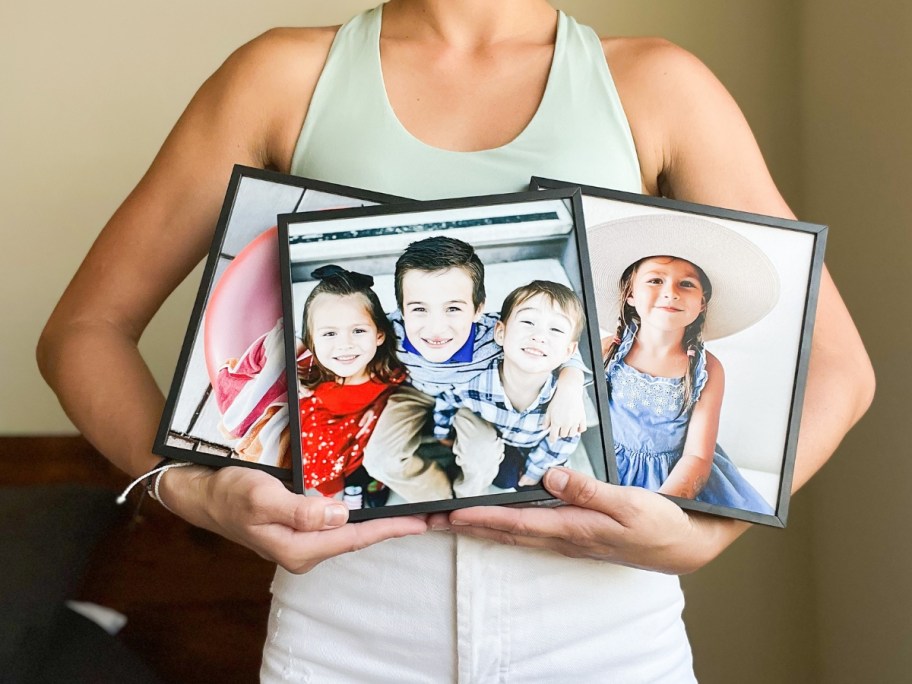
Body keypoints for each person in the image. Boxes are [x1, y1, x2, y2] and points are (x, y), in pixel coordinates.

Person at [35, 0, 874, 680]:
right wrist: (189, 491)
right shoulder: (284, 75)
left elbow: (839, 367)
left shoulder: (657, 85)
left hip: (604, 633)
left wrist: (702, 536)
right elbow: (84, 330)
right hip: (347, 623)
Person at [363, 235, 587, 502]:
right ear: (401, 310)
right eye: (420, 309)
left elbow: (555, 349)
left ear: (478, 309)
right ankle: (441, 498)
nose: (436, 328)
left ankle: (467, 498)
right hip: (415, 390)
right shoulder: (392, 331)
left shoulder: (495, 334)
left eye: (453, 309)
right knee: (378, 459)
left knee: (482, 456)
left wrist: (570, 388)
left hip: (471, 399)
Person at [594, 215, 777, 513]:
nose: (671, 292)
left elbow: (696, 457)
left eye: (686, 284)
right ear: (630, 295)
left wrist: (659, 510)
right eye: (655, 280)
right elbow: (585, 423)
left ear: (702, 303)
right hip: (604, 470)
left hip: (674, 479)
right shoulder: (608, 351)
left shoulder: (707, 370)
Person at [433, 280, 587, 490]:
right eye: (528, 322)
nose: (539, 336)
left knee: (537, 484)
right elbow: (447, 398)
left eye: (556, 329)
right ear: (500, 333)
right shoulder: (475, 384)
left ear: (569, 352)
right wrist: (442, 432)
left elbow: (563, 440)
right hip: (498, 436)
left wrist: (534, 472)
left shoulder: (563, 401)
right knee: (502, 479)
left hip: (534, 445)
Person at [296, 265, 405, 503]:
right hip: (324, 422)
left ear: (379, 335)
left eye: (358, 330)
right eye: (329, 334)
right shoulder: (306, 365)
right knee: (318, 454)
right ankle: (344, 485)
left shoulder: (387, 369)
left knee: (378, 444)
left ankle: (364, 479)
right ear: (311, 339)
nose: (345, 344)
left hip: (368, 418)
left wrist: (378, 409)